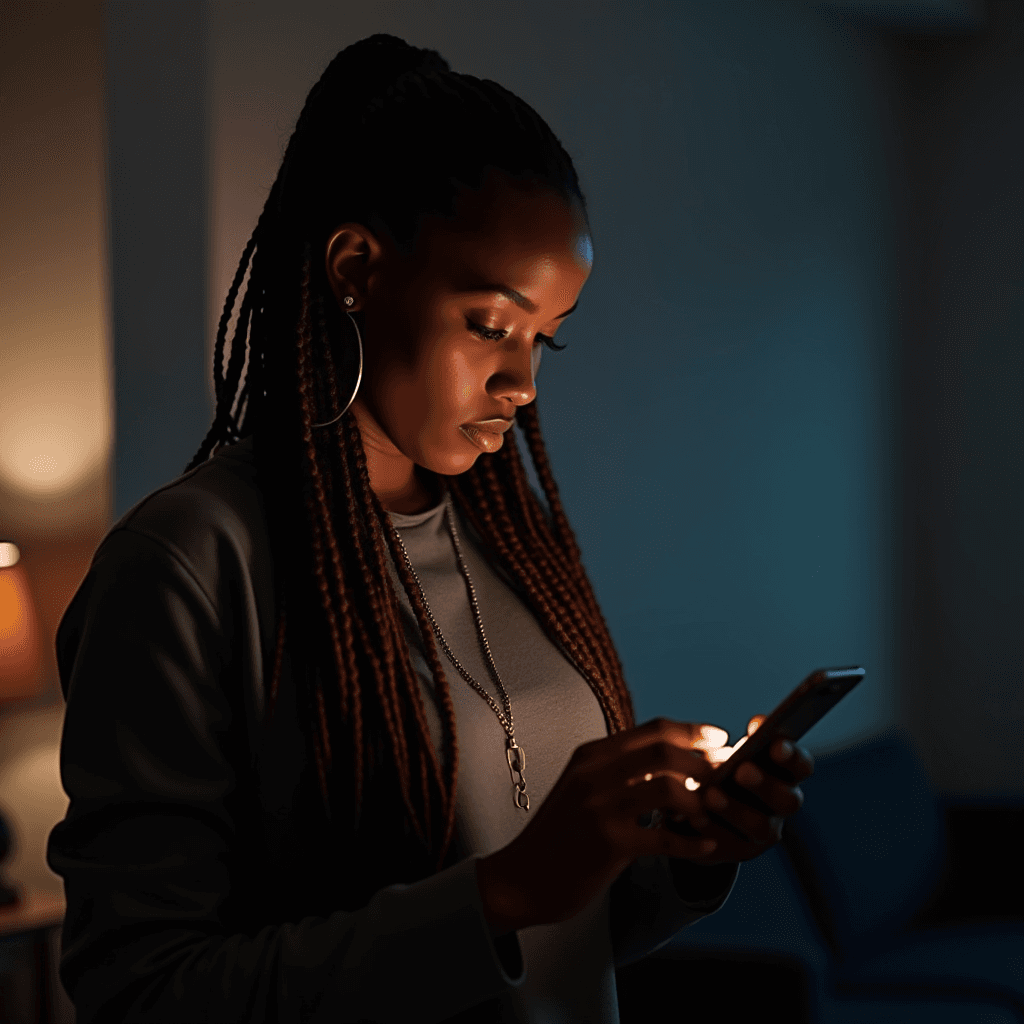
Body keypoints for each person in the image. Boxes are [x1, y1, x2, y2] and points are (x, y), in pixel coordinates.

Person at [46, 33, 813, 1023]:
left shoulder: (513, 540)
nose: (523, 383)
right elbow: (140, 991)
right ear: (358, 268)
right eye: (491, 324)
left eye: (546, 336)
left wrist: (686, 862)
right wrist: (499, 893)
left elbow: (557, 941)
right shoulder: (191, 565)